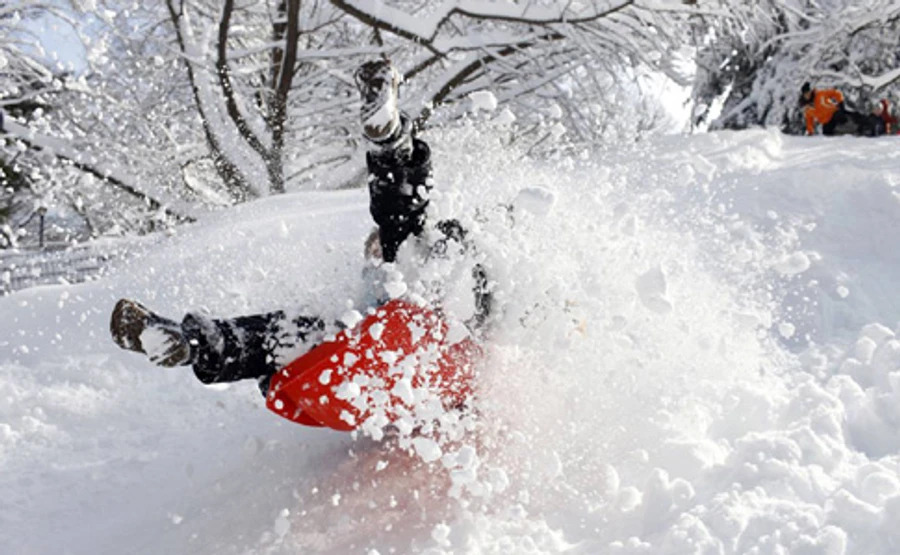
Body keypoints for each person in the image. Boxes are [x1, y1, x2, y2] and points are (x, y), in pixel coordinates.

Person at [110, 59, 492, 396]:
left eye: (374, 247)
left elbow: (464, 276)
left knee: (402, 235)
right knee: (289, 332)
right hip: (382, 354)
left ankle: (389, 143)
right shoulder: (373, 294)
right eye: (370, 249)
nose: (372, 252)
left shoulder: (440, 267)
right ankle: (190, 343)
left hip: (436, 345)